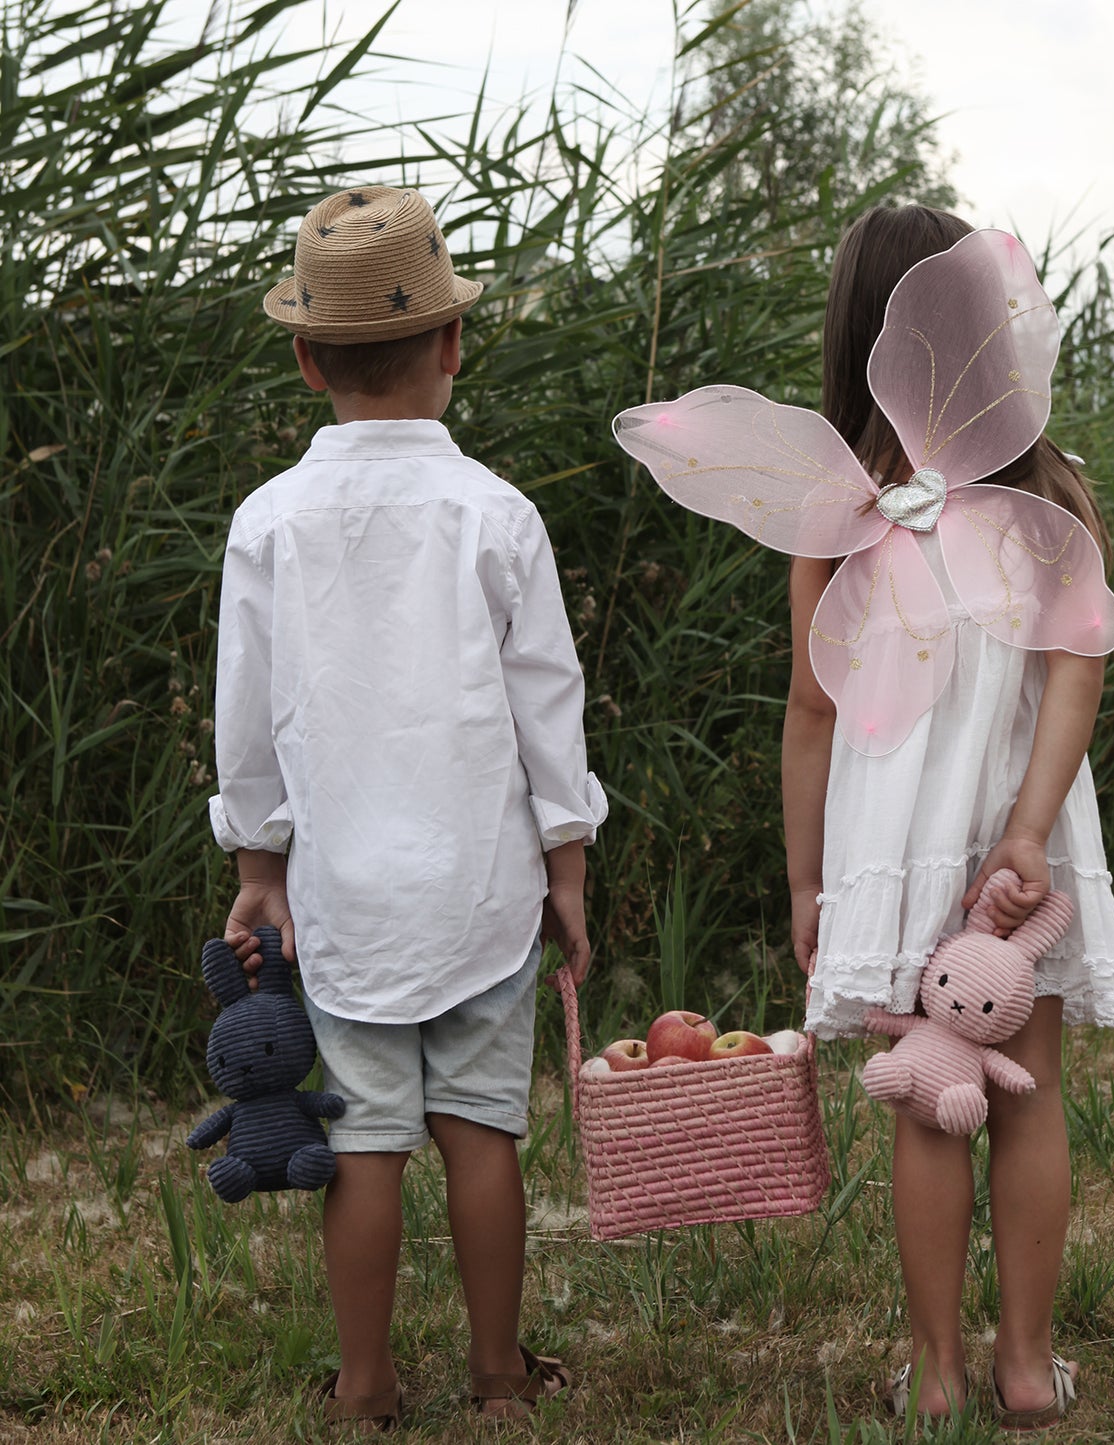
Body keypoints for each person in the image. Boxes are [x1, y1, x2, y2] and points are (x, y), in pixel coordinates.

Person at [209, 186, 606, 1431]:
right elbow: (548, 702)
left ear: (305, 356)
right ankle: (498, 1374)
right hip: (480, 886)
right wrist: (568, 862)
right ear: (449, 345)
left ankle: (367, 1383)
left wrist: (257, 863)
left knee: (366, 1141)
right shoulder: (496, 512)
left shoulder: (267, 521)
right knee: (481, 1132)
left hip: (346, 897)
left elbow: (246, 715)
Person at [780, 206, 1114, 1425]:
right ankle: (1027, 1367)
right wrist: (1028, 828)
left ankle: (934, 1374)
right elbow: (1078, 666)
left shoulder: (838, 511)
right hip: (1017, 833)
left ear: (855, 336)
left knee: (921, 1090)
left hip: (890, 844)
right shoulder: (1048, 488)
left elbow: (813, 713)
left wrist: (805, 882)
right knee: (1029, 1081)